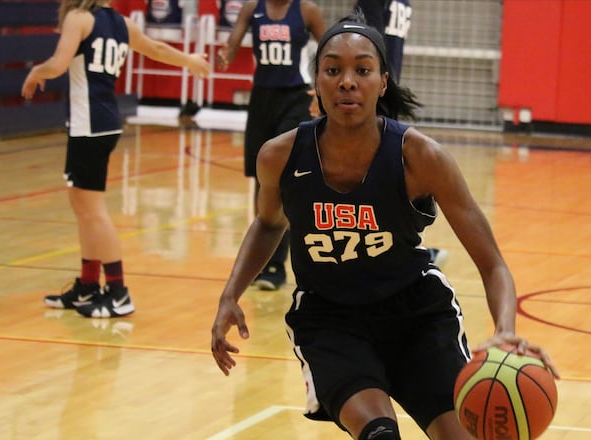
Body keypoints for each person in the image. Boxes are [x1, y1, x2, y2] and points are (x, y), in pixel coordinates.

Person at [210, 18, 559, 440]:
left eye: (362, 69)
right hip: (330, 318)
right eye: (333, 69)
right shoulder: (280, 156)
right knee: (379, 434)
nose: (347, 82)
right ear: (316, 81)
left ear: (382, 81)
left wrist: (505, 329)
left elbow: (493, 265)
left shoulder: (420, 157)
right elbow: (268, 224)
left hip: (416, 316)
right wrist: (230, 294)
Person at [22, 0, 210, 318]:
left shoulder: (79, 19)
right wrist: (189, 60)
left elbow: (57, 64)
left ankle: (119, 291)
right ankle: (88, 285)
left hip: (90, 124)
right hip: (103, 121)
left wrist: (36, 72)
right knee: (83, 208)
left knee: (92, 211)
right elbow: (157, 50)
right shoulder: (122, 23)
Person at [217, 0, 325, 290]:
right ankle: (262, 259)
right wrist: (226, 53)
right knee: (261, 178)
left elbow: (329, 48)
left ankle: (278, 263)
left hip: (295, 97)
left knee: (286, 176)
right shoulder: (253, 7)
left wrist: (322, 87)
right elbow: (235, 38)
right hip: (262, 97)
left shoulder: (307, 10)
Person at [353, 1, 448, 267]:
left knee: (382, 182)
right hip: (376, 98)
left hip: (380, 98)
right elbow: (362, 43)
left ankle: (401, 247)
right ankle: (399, 248)